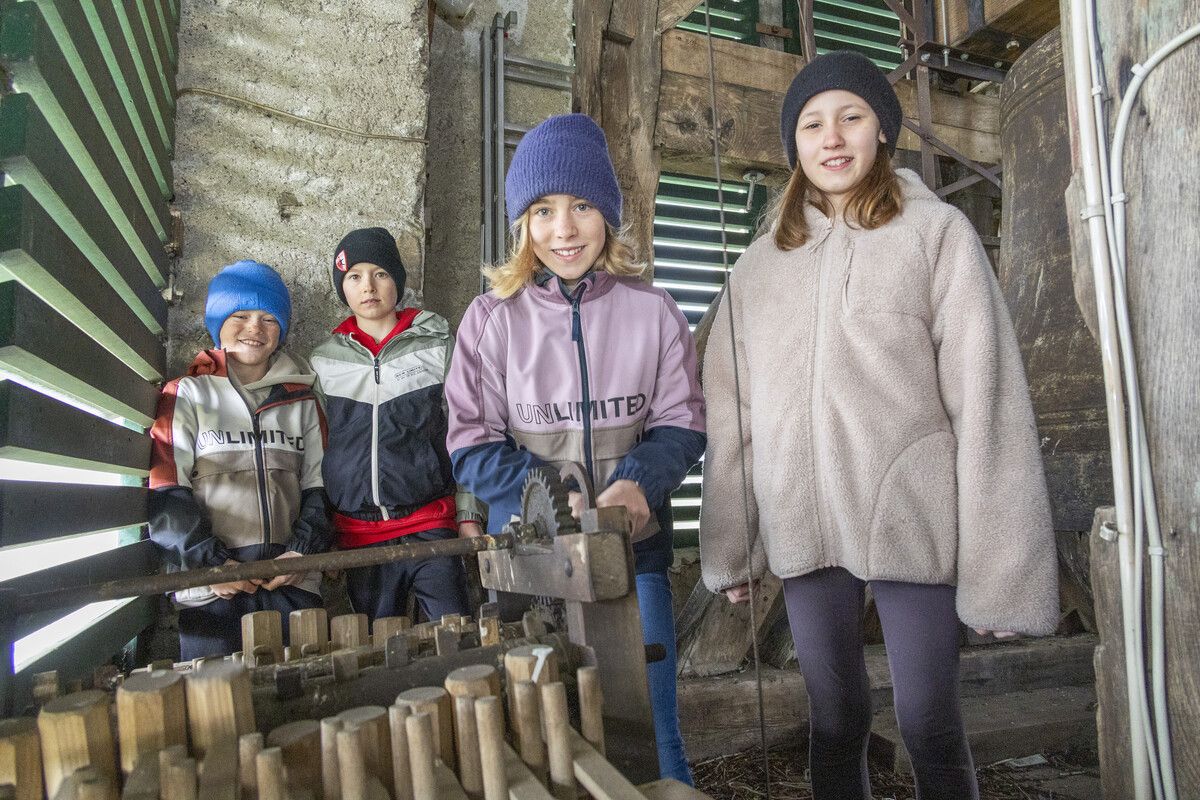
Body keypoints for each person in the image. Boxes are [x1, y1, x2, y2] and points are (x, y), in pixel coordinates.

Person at [698, 52, 1058, 800]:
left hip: (911, 517)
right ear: (794, 144)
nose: (832, 138)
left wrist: (1002, 573)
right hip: (803, 521)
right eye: (812, 124)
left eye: (851, 117)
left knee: (928, 721)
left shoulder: (938, 234)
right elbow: (734, 417)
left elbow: (986, 399)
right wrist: (734, 546)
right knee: (834, 720)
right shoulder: (756, 269)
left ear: (882, 131)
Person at [445, 114, 706, 784]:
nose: (564, 229)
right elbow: (471, 442)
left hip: (633, 553)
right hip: (528, 560)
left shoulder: (654, 311)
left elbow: (683, 423)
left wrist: (639, 481)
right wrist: (548, 492)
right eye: (543, 210)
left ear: (608, 215)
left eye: (583, 206)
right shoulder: (491, 320)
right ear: (523, 224)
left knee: (653, 728)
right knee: (537, 738)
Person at [149, 260, 331, 660]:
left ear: (282, 330)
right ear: (218, 323)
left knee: (307, 690)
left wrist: (302, 553)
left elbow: (320, 486)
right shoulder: (188, 394)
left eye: (269, 319)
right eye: (241, 316)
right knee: (215, 693)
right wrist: (209, 564)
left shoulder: (302, 399)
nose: (255, 328)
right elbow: (167, 491)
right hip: (212, 589)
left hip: (291, 581)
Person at [310, 227, 483, 624]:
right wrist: (325, 534)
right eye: (354, 276)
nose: (368, 286)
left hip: (431, 523)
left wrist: (469, 513)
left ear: (398, 282)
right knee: (379, 644)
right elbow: (316, 451)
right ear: (342, 287)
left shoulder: (436, 346)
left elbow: (468, 431)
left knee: (454, 631)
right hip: (359, 536)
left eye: (381, 273)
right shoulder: (324, 360)